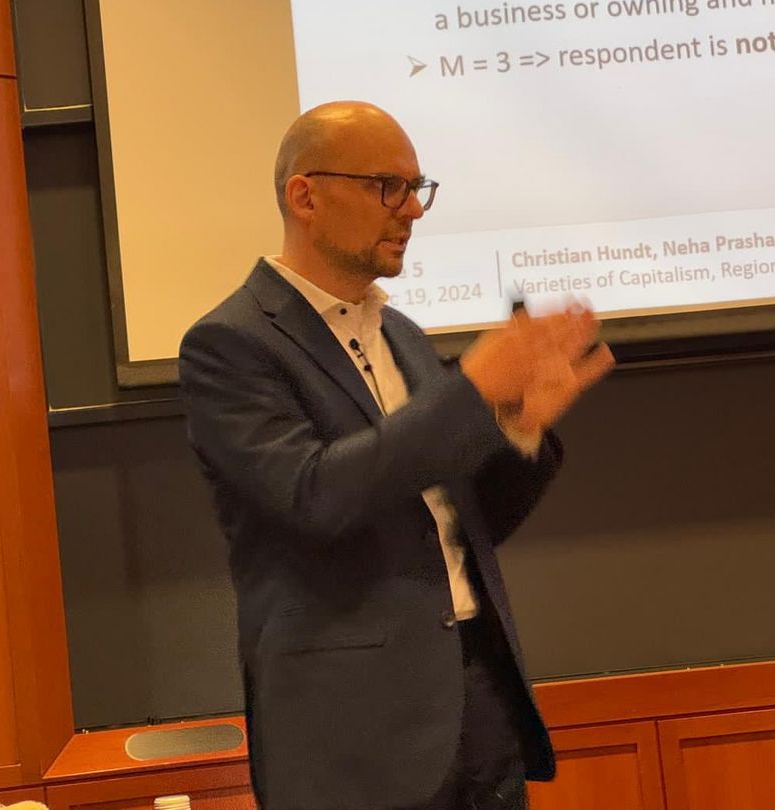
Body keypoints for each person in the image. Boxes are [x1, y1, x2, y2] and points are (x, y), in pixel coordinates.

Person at [179, 101, 613, 810]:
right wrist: (471, 392)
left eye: (418, 188)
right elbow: (314, 497)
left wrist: (516, 426)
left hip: (476, 698)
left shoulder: (403, 335)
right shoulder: (230, 345)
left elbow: (471, 525)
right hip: (352, 734)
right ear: (306, 195)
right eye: (389, 187)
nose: (411, 209)